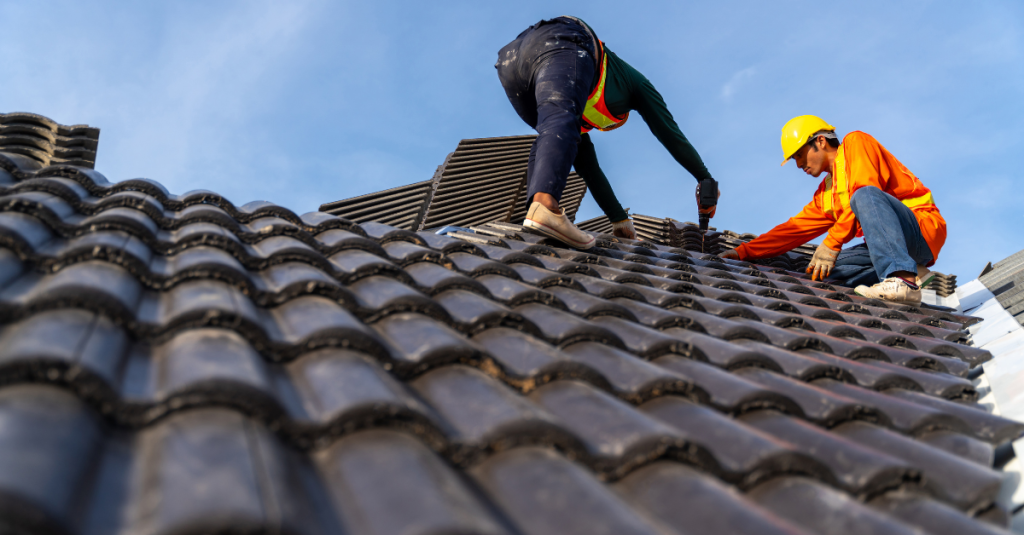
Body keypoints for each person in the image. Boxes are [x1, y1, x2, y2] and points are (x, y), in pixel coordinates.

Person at [495, 15, 718, 249]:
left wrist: (619, 219)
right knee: (562, 122)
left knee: (551, 137)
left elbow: (589, 167)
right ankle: (545, 206)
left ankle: (535, 214)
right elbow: (670, 133)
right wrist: (704, 178)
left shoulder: (575, 107)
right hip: (564, 40)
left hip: (512, 63)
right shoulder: (635, 84)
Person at [720, 115, 945, 305]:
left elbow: (866, 191)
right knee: (827, 271)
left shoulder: (856, 143)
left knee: (864, 195)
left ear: (820, 141)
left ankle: (903, 280)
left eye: (799, 155)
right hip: (893, 245)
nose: (798, 165)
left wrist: (832, 242)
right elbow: (793, 229)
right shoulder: (827, 193)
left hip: (921, 229)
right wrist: (744, 252)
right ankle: (912, 270)